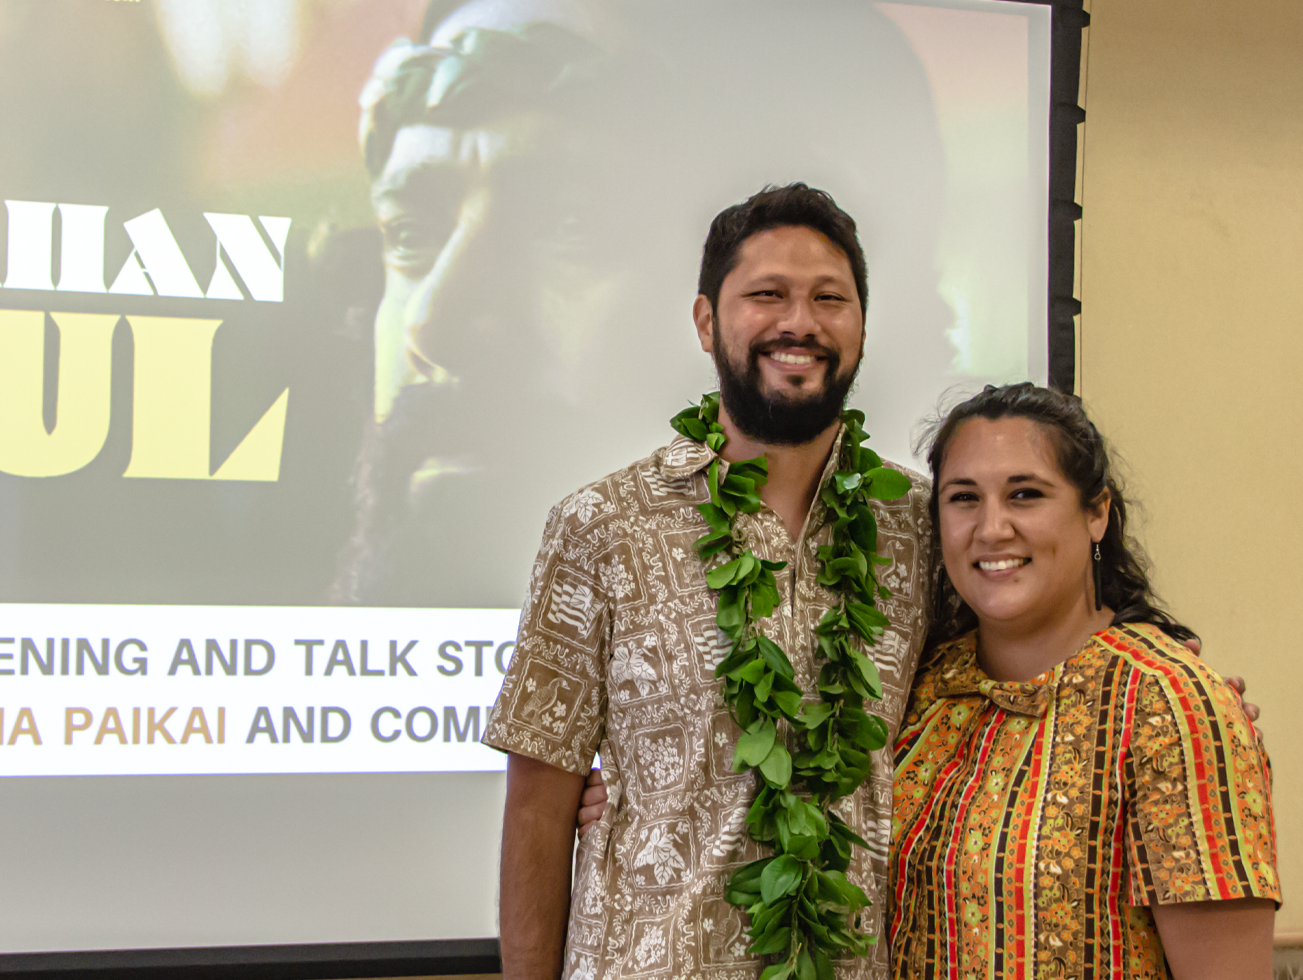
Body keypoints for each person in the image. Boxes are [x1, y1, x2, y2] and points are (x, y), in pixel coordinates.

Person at [483, 182, 931, 980]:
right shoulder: (602, 526)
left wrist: (1180, 692)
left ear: (862, 327)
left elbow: (1030, 669)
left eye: (828, 297)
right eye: (766, 294)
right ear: (705, 319)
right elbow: (537, 813)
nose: (796, 322)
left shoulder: (919, 527)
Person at [336, 0, 953, 608]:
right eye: (411, 234)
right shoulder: (591, 533)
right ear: (706, 320)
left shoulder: (929, 546)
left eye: (570, 226)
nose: (434, 327)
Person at [885, 384, 1278, 980]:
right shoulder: (920, 694)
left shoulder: (1166, 701)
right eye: (964, 497)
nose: (992, 528)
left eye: (1026, 495)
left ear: (1096, 512)